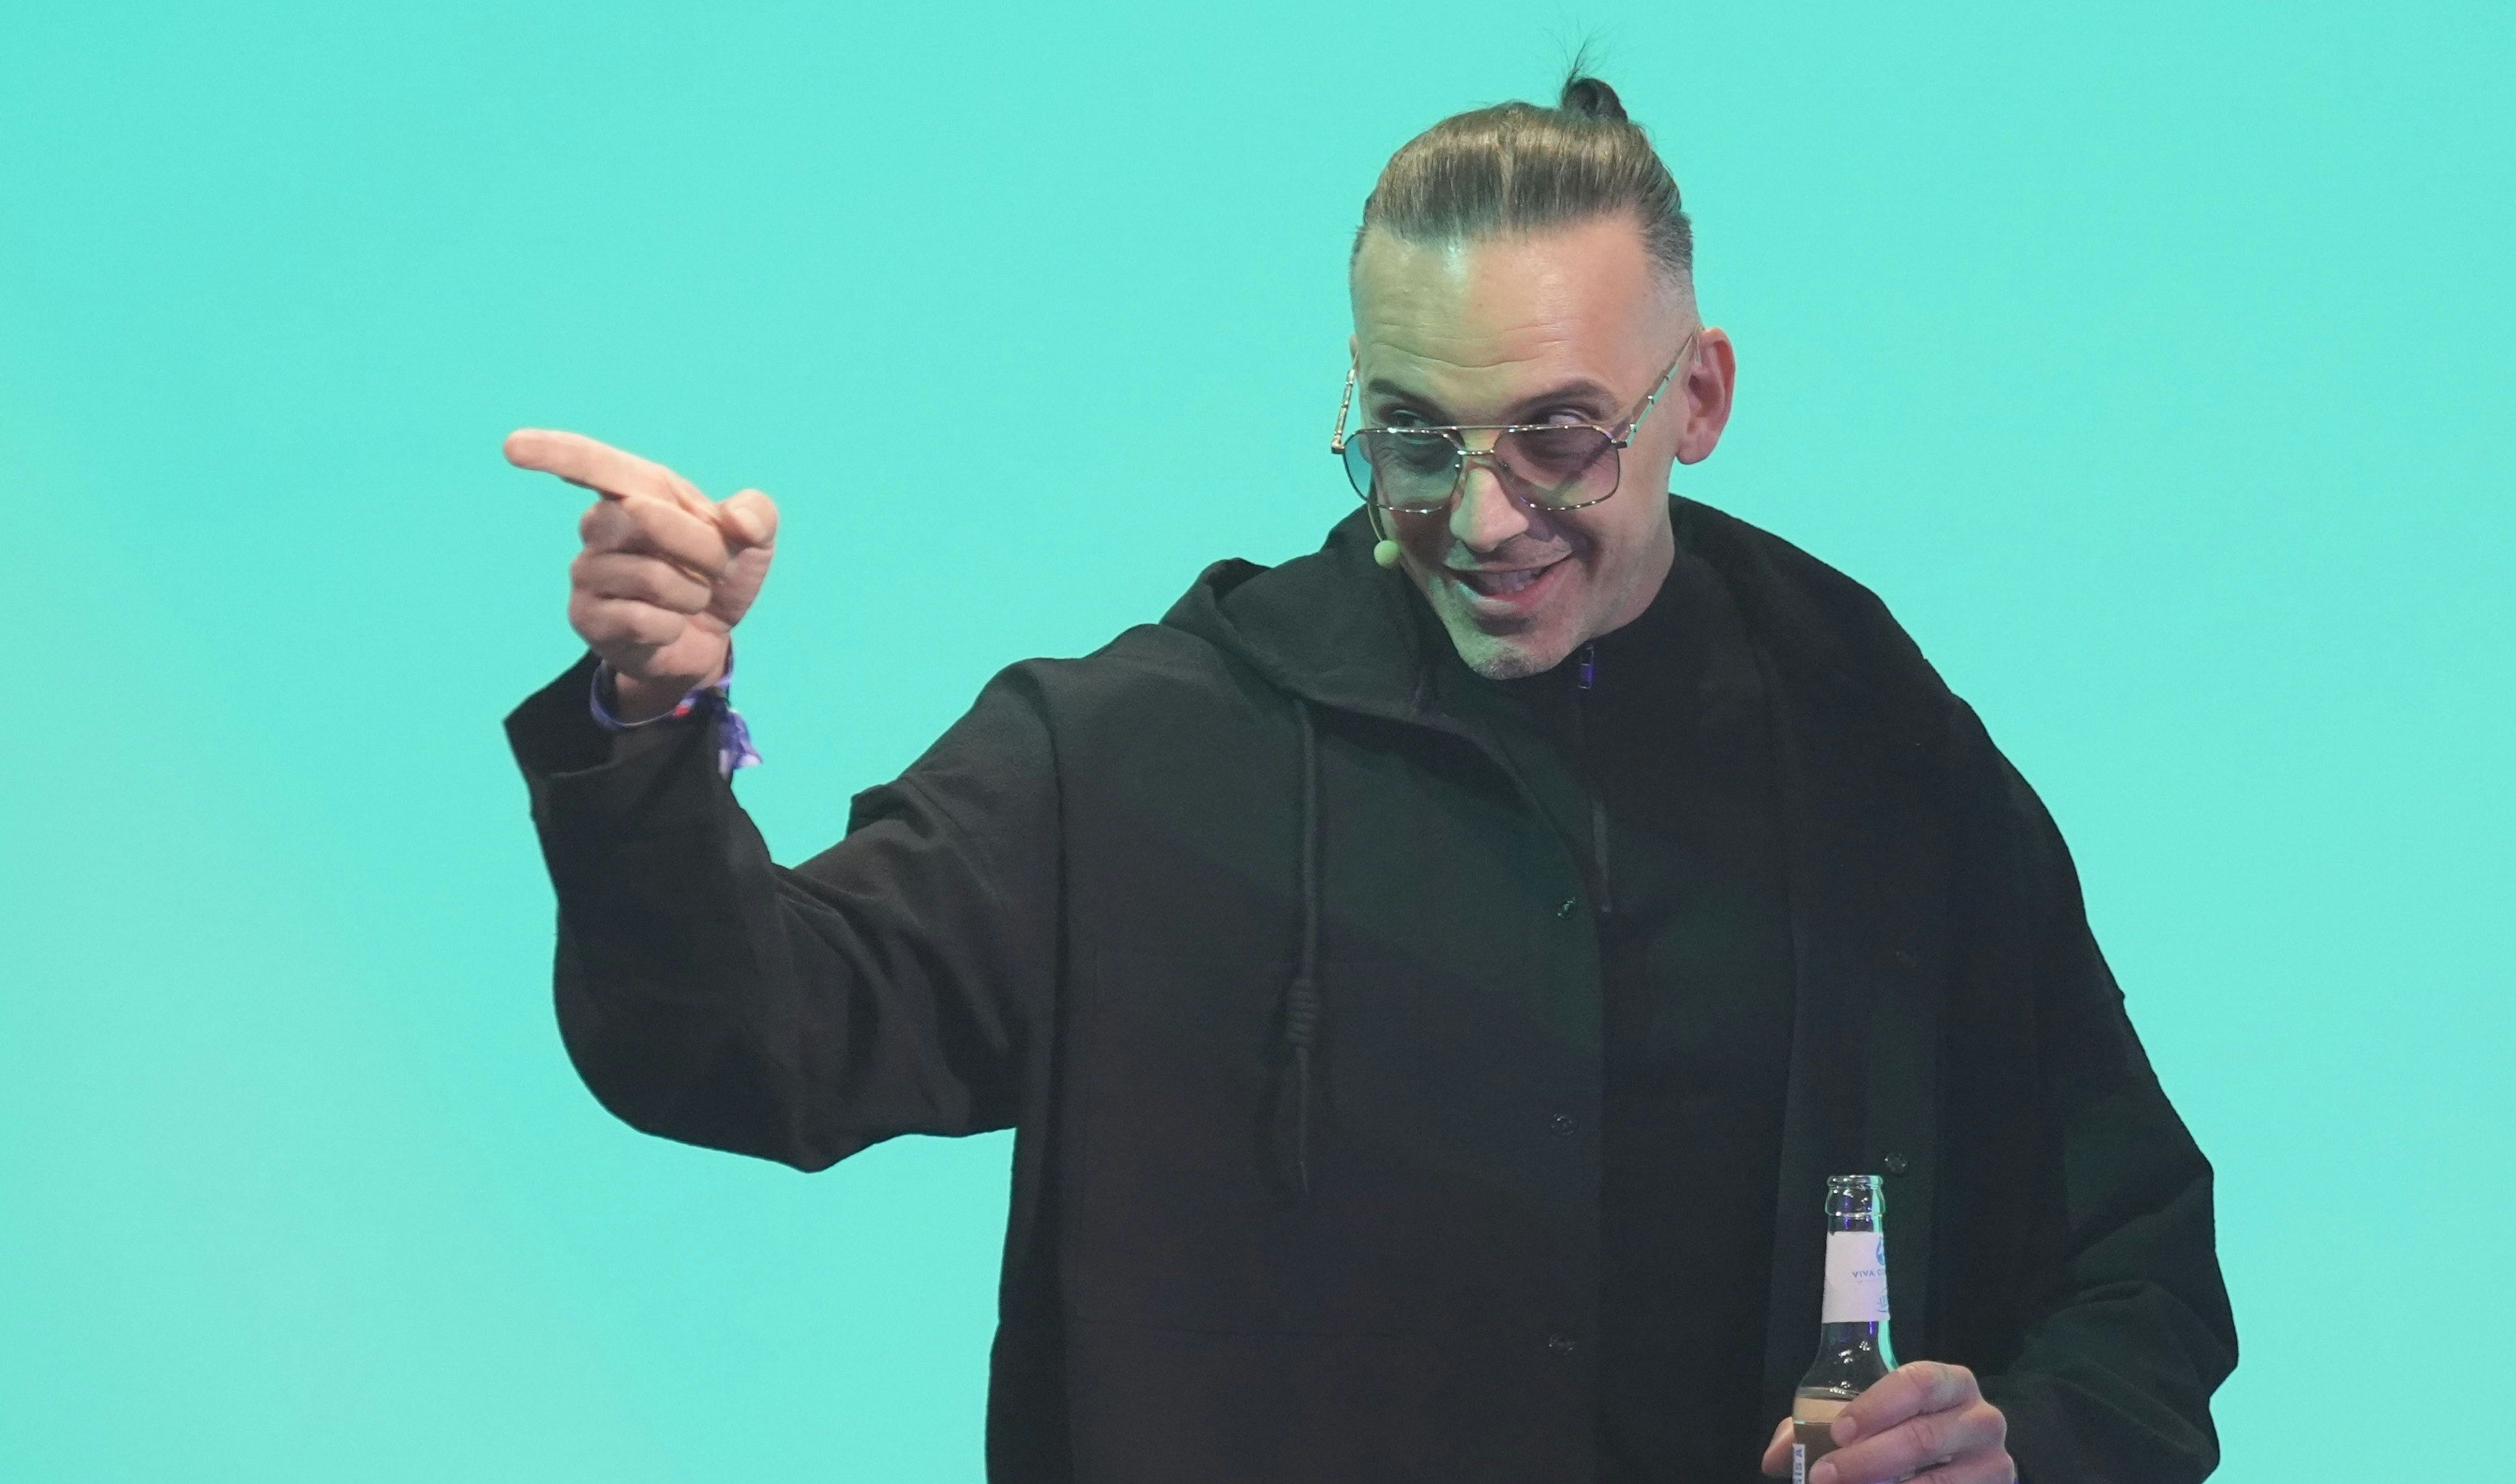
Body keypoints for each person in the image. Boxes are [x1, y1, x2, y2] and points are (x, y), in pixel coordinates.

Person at [501, 72, 2234, 1484]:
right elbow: (740, 1041)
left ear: (1698, 398)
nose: (1482, 518)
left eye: (1559, 435)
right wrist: (653, 721)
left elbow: (2139, 1274)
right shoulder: (1134, 762)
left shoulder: (1878, 754)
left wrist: (2023, 1456)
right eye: (1416, 434)